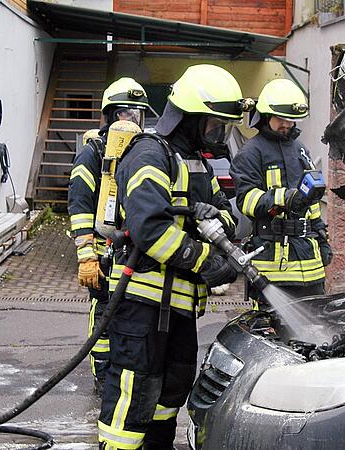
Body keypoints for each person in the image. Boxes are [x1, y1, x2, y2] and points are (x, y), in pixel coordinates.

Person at [98, 64, 243, 450]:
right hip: (142, 305)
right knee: (133, 397)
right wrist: (207, 261)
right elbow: (150, 230)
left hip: (178, 308)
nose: (218, 134)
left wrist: (211, 216)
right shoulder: (149, 154)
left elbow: (227, 214)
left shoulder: (198, 161)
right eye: (214, 124)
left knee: (169, 395)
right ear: (190, 117)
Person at [68, 77, 150, 392]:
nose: (133, 120)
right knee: (104, 316)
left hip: (130, 253)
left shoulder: (142, 152)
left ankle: (124, 372)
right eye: (127, 113)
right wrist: (86, 255)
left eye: (138, 114)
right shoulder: (93, 153)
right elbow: (79, 205)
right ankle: (103, 376)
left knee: (129, 316)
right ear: (111, 114)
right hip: (102, 255)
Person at [230, 78, 332, 307]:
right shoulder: (251, 153)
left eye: (291, 119)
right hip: (273, 267)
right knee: (273, 330)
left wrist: (322, 236)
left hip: (310, 263)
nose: (287, 124)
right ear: (266, 116)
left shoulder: (301, 150)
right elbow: (246, 201)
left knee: (317, 326)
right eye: (281, 118)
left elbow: (312, 202)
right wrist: (284, 198)